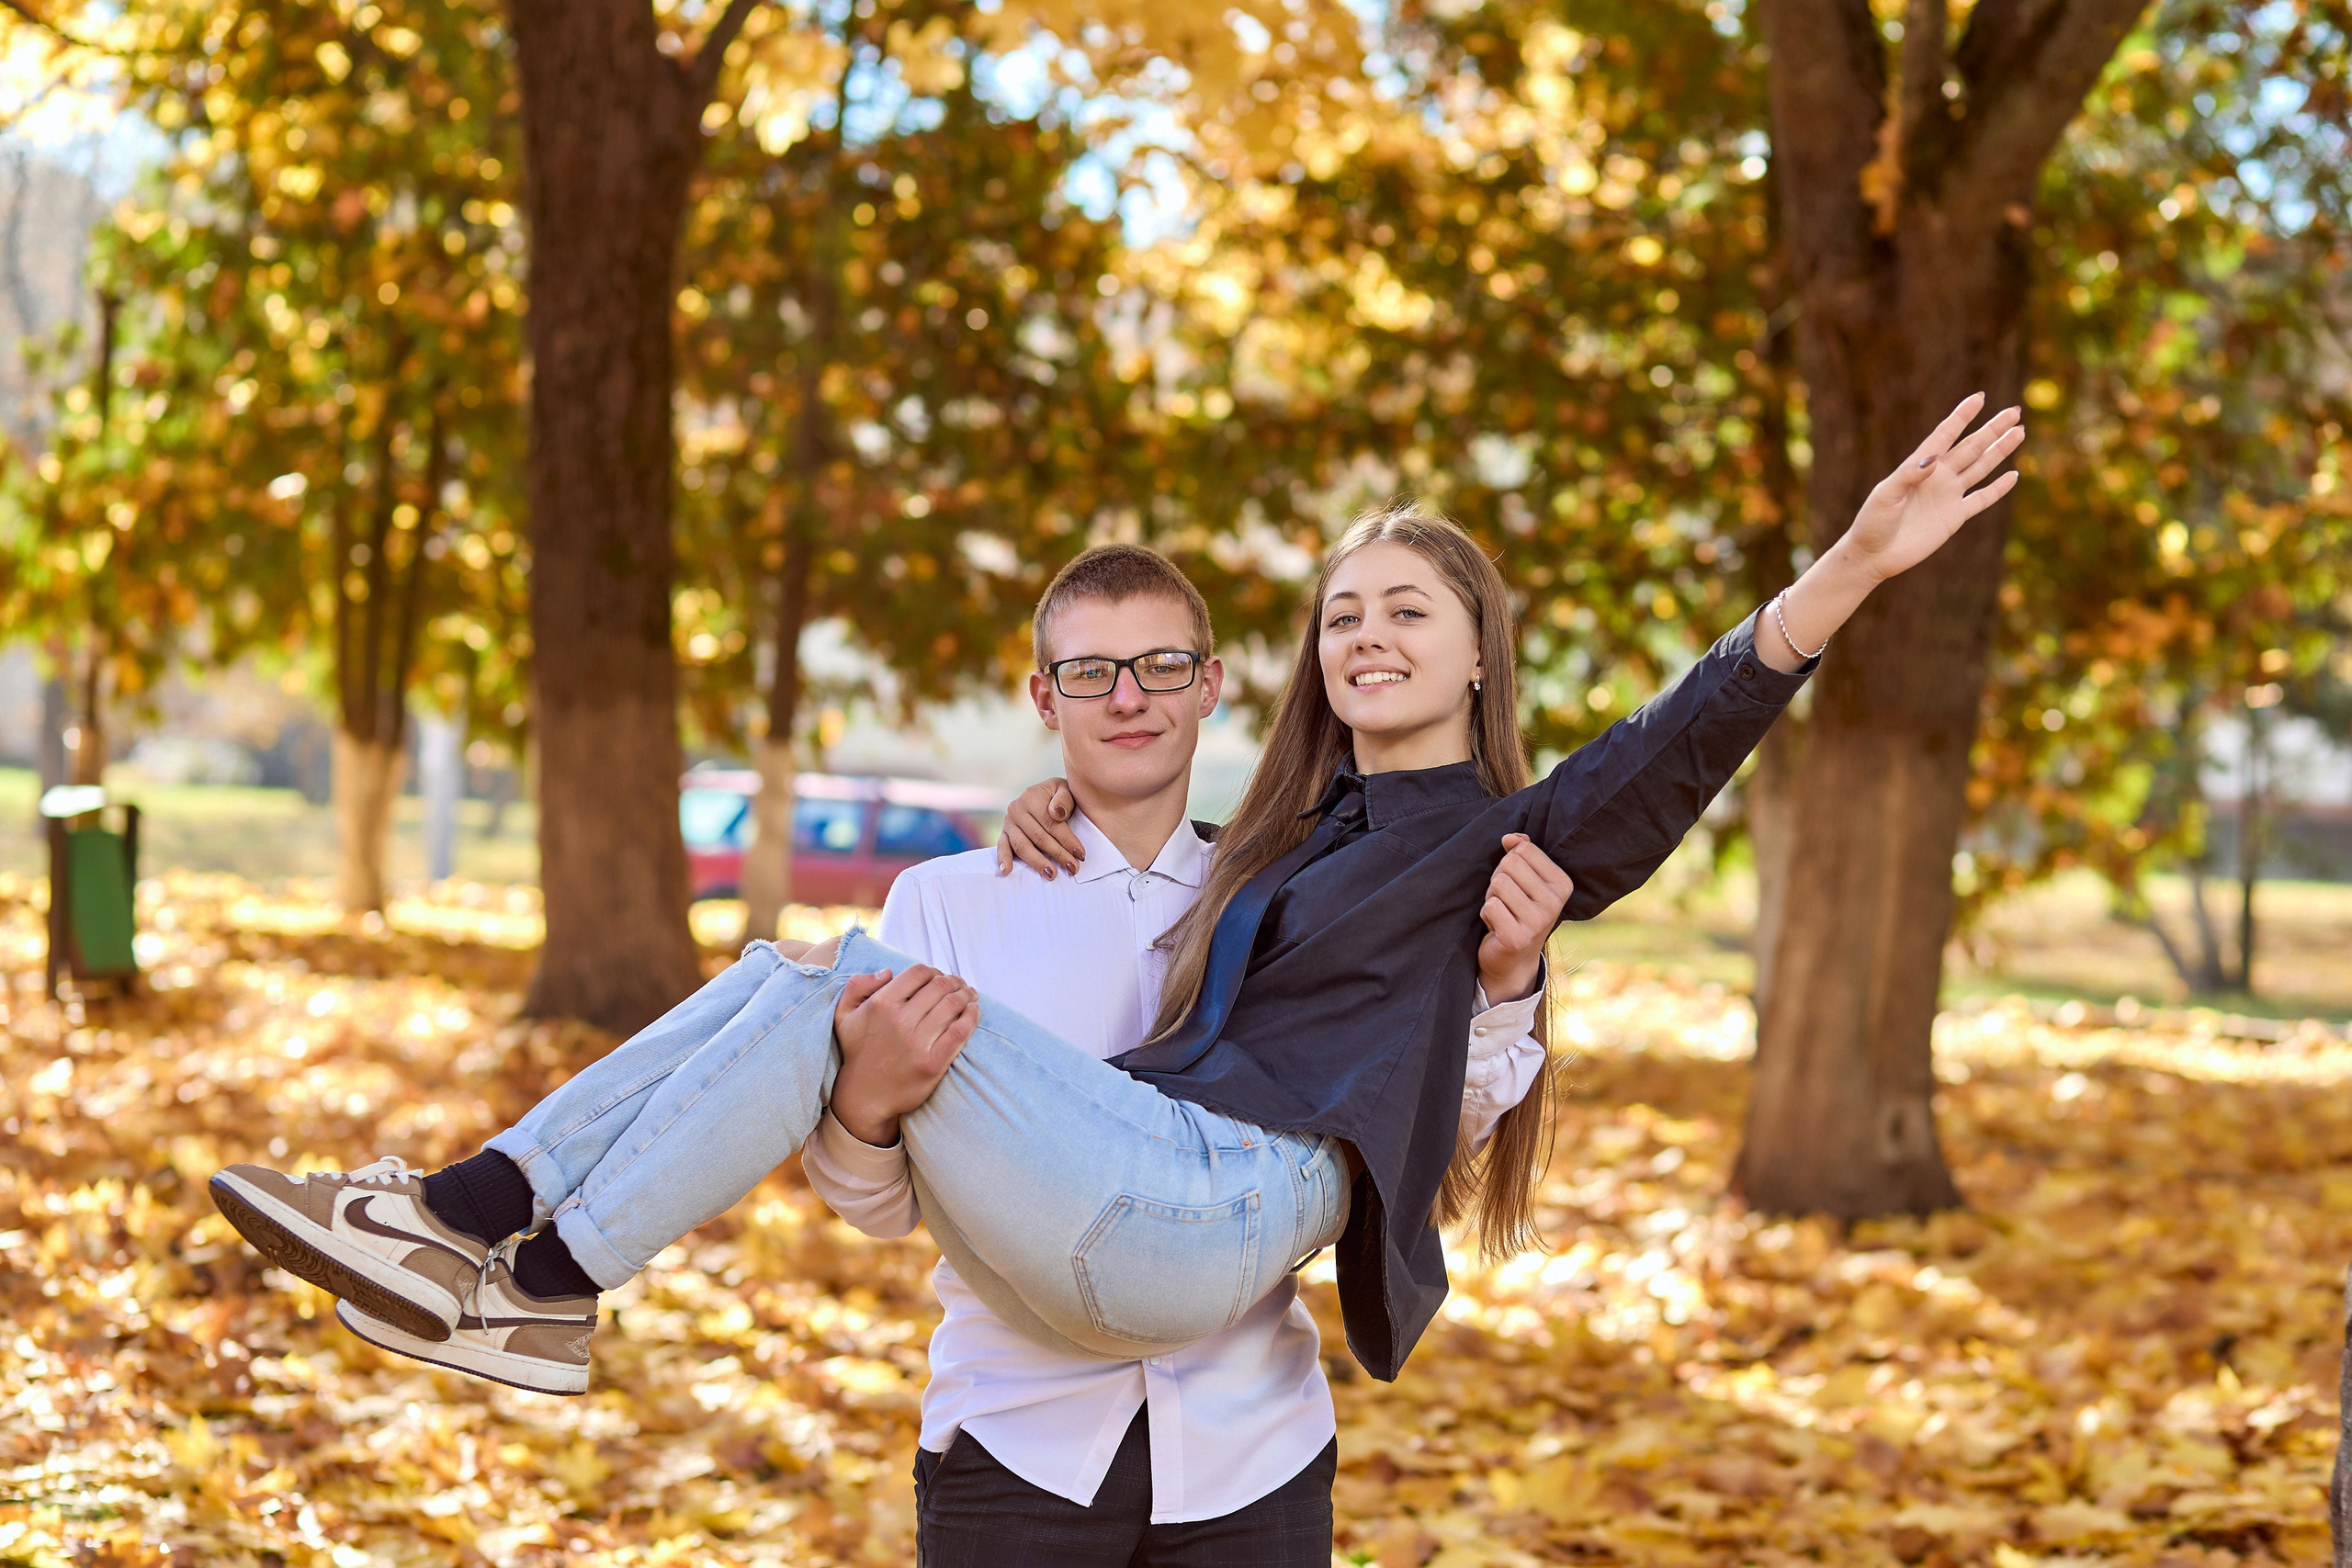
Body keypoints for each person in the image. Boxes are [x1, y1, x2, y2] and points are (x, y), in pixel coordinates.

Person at [209, 394, 2020, 1419]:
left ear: (1478, 654)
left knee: (812, 964)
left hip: (1214, 1206)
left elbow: (1691, 723)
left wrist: (1853, 562)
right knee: (801, 979)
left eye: (1408, 608)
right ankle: (507, 1252)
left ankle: (497, 1249)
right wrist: (1046, 801)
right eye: (1342, 612)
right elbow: (1137, 844)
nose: (1368, 634)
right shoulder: (1284, 836)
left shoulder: (1507, 833)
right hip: (1100, 1227)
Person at [801, 544, 1568, 1562]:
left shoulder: (1288, 901)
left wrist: (1506, 987)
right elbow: (879, 1208)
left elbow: (1402, 1130)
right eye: (1090, 673)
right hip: (1016, 1443)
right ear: (1045, 696)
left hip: (1252, 1449)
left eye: (1162, 666)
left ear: (1207, 685)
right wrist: (863, 1108)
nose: (1128, 699)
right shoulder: (945, 905)